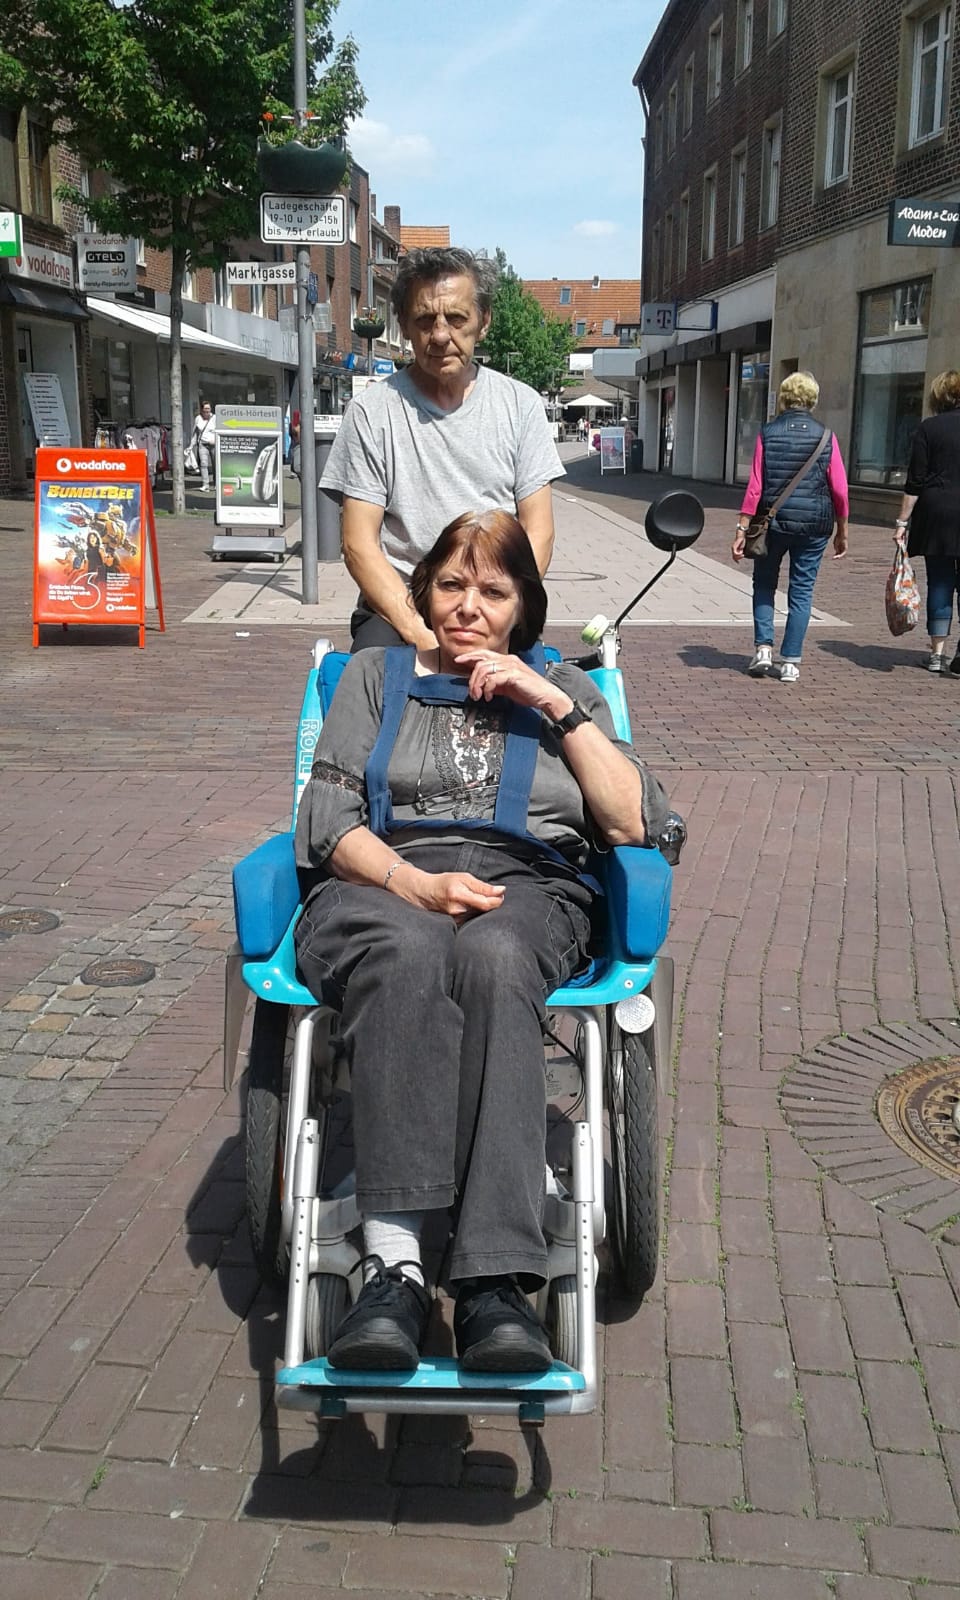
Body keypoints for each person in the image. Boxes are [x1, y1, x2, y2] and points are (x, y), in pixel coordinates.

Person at [293, 509, 670, 1372]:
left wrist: (553, 704)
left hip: (528, 883)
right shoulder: (373, 675)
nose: (469, 606)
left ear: (521, 607)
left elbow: (631, 820)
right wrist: (415, 885)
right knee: (411, 951)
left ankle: (497, 1280)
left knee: (496, 956)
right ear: (422, 591)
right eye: (452, 585)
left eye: (493, 591)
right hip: (381, 876)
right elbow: (328, 820)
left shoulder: (564, 683)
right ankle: (395, 1268)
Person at [319, 246, 565, 652]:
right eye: (424, 319)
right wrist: (422, 635)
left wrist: (498, 613)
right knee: (373, 689)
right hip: (401, 608)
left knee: (531, 704)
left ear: (483, 322)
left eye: (456, 318)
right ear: (403, 324)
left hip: (490, 605)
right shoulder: (371, 412)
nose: (439, 335)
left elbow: (539, 531)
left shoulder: (520, 406)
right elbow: (358, 543)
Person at [732, 371, 849, 682]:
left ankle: (763, 650)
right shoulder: (826, 436)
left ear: (783, 398)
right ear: (812, 399)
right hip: (814, 525)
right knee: (802, 590)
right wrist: (843, 530)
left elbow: (755, 487)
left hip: (773, 523)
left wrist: (742, 528)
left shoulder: (767, 433)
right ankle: (791, 662)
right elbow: (839, 488)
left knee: (764, 584)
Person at [894, 370, 960, 675]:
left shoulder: (928, 429)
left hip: (937, 513)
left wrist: (902, 522)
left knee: (940, 580)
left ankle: (937, 653)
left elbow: (915, 481)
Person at [192, 401, 216, 492]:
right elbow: (195, 433)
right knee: (203, 464)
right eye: (205, 408)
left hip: (213, 444)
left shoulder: (214, 418)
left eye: (208, 408)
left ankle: (216, 484)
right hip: (202, 444)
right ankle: (205, 485)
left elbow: (219, 430)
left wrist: (215, 440)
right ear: (202, 409)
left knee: (215, 465)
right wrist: (191, 445)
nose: (207, 410)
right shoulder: (198, 418)